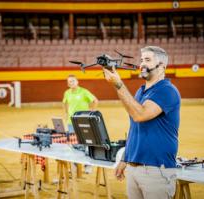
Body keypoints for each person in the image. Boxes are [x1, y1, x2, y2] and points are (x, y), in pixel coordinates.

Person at [103, 46, 181, 199]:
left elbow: (140, 115)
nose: (142, 64)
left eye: (147, 60)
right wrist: (126, 158)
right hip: (134, 168)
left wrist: (118, 84)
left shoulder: (167, 90)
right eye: (141, 60)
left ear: (162, 66)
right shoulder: (141, 91)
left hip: (156, 169)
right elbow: (134, 128)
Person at [62, 74, 98, 174]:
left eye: (73, 81)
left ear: (77, 82)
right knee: (73, 143)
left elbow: (95, 100)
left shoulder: (84, 91)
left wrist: (92, 111)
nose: (71, 83)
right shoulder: (67, 93)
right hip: (70, 121)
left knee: (85, 142)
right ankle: (74, 164)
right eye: (69, 81)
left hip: (83, 121)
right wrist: (66, 113)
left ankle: (88, 165)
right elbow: (65, 103)